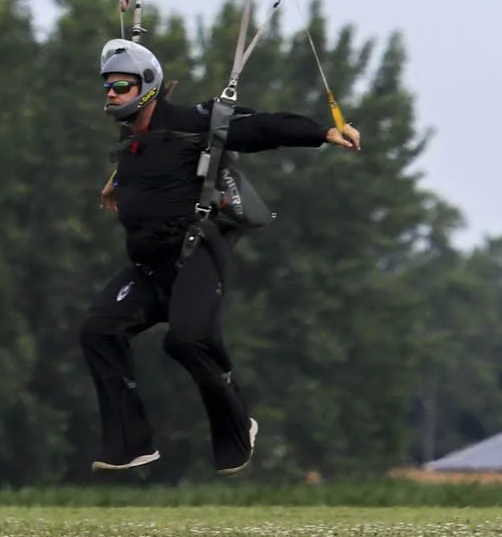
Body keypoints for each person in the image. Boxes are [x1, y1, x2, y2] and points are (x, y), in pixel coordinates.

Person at [80, 37, 360, 475]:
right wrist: (118, 179)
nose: (112, 94)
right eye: (109, 87)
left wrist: (322, 132)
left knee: (188, 340)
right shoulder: (133, 141)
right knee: (99, 329)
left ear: (147, 86)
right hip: (149, 268)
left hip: (195, 253)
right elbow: (153, 165)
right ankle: (130, 443)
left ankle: (236, 428)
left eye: (121, 87)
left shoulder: (195, 121)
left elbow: (261, 127)